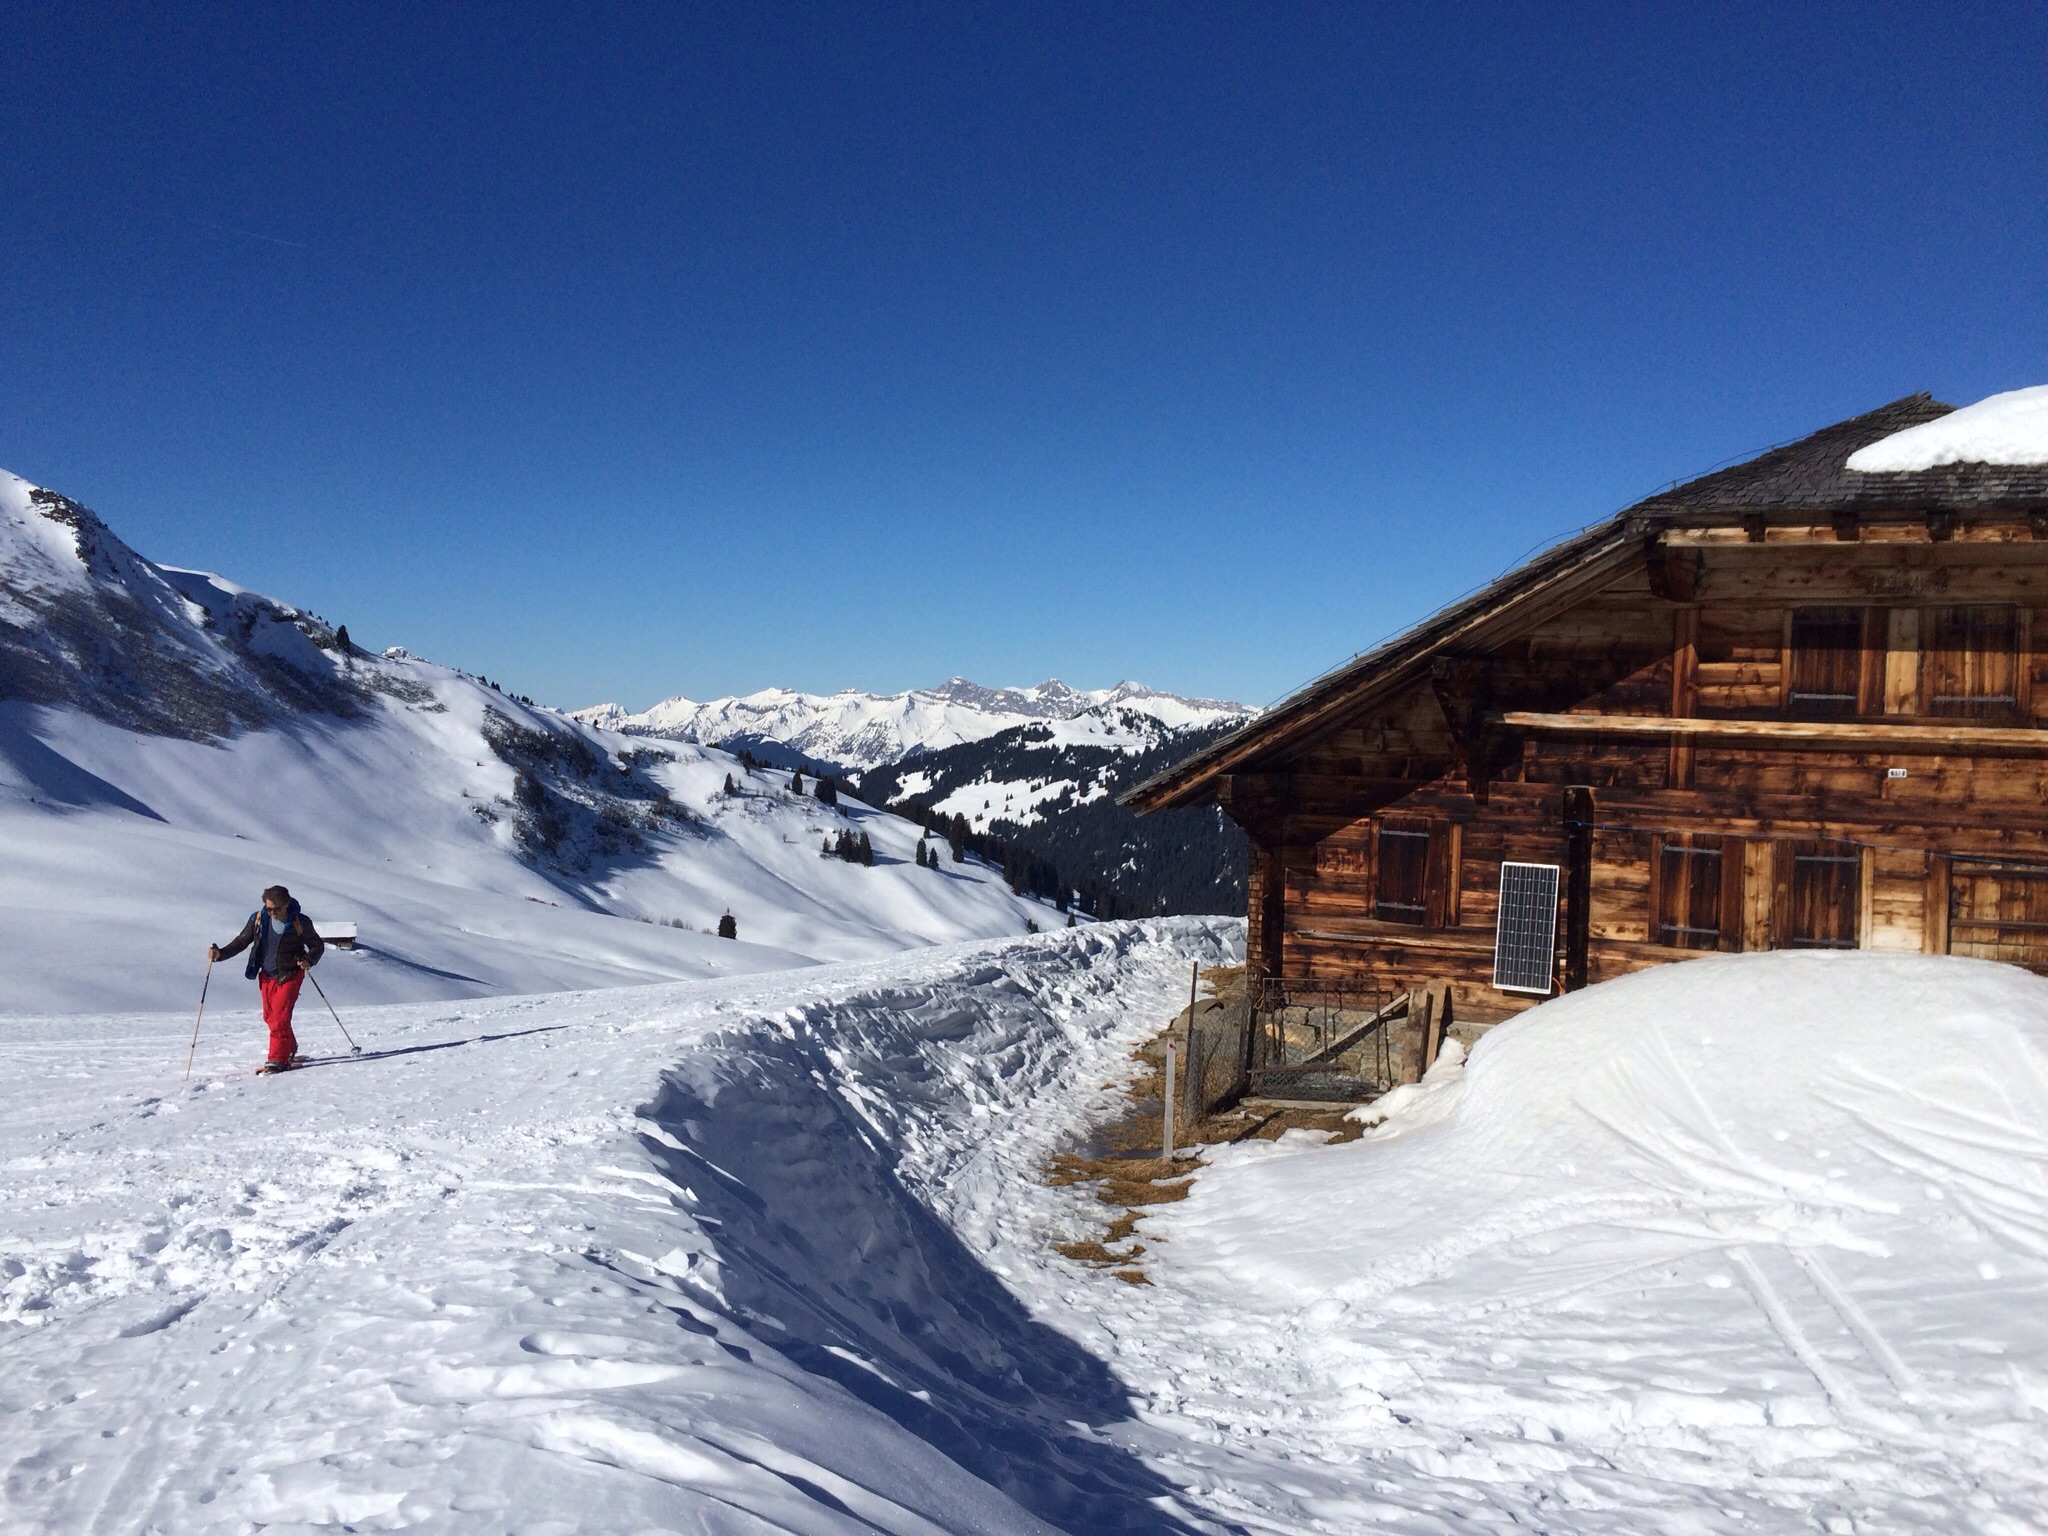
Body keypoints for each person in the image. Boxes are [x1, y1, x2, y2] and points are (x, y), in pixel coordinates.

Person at [211, 885, 325, 1073]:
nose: (272, 912)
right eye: (269, 908)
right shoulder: (258, 919)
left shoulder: (300, 921)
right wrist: (220, 954)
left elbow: (317, 945)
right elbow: (241, 941)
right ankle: (289, 1047)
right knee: (270, 1017)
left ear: (286, 904)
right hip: (266, 974)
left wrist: (308, 960)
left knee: (279, 1017)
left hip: (290, 973)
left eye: (277, 908)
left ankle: (277, 1059)